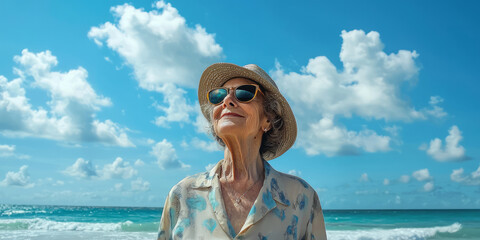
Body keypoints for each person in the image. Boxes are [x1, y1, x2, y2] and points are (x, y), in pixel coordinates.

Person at [158, 63, 327, 239]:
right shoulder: (183, 194)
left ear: (268, 118)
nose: (227, 100)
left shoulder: (300, 197)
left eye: (244, 93)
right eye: (219, 95)